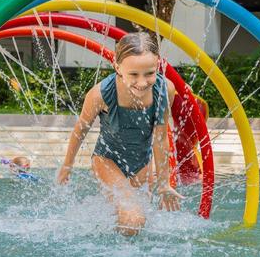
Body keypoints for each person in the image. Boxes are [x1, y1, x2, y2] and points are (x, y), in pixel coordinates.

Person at [56, 32, 181, 236]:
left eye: (149, 73)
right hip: (107, 160)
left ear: (158, 66)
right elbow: (80, 130)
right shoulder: (100, 94)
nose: (142, 82)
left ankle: (110, 251)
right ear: (117, 67)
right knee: (133, 218)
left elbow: (160, 137)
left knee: (136, 222)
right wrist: (67, 166)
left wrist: (164, 182)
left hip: (142, 162)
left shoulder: (165, 89)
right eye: (133, 74)